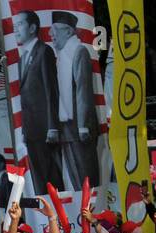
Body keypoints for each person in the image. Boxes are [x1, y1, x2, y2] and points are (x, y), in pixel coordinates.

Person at [14, 10, 62, 193]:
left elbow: (51, 91)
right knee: (39, 180)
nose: (16, 30)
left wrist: (52, 126)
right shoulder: (22, 59)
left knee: (52, 178)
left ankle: (58, 216)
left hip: (45, 129)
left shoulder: (44, 52)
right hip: (31, 129)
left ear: (33, 27)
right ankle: (44, 217)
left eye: (20, 24)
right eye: (14, 25)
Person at [50, 13, 98, 192]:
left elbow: (83, 90)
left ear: (68, 31)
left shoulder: (79, 51)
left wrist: (83, 125)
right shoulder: (62, 55)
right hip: (67, 128)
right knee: (74, 178)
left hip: (80, 127)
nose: (51, 35)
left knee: (85, 178)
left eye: (55, 31)